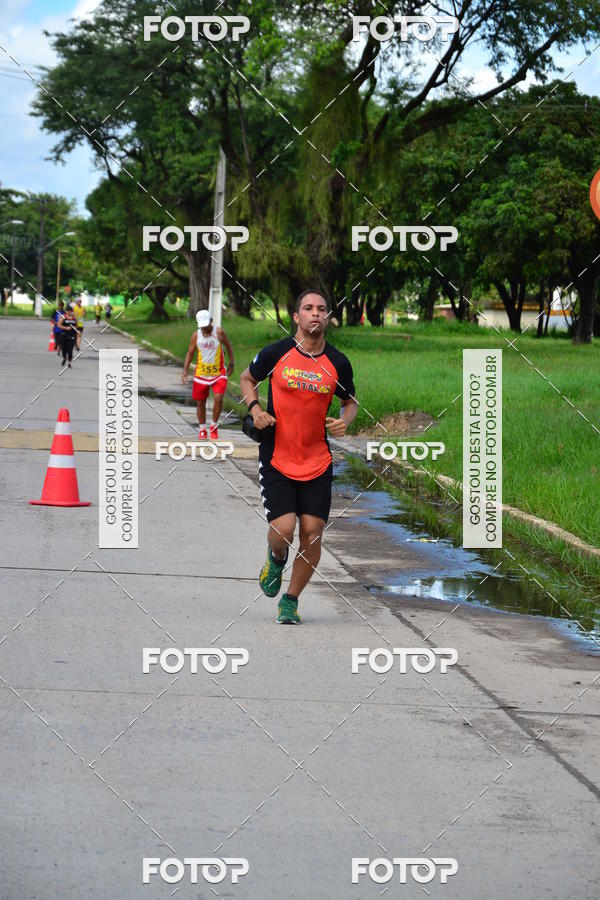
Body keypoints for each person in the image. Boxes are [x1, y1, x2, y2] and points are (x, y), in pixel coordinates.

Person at [239, 290, 358, 624]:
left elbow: (350, 402)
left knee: (313, 530)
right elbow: (247, 378)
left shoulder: (337, 362)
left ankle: (290, 600)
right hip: (277, 456)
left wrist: (344, 422)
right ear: (297, 317)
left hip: (317, 459)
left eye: (321, 309)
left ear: (328, 317)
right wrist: (255, 408)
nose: (315, 314)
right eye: (308, 308)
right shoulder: (277, 353)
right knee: (284, 530)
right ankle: (276, 558)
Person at [182, 310, 234, 439]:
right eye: (202, 326)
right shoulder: (196, 336)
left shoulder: (219, 332)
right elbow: (190, 353)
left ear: (211, 321)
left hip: (219, 373)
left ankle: (214, 426)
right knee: (200, 402)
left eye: (206, 325)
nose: (204, 328)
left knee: (218, 398)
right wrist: (185, 371)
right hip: (201, 374)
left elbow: (228, 346)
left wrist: (232, 363)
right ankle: (202, 428)